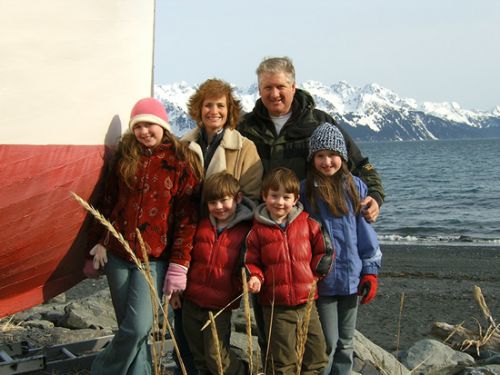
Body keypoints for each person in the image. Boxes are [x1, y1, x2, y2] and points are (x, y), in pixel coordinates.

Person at [87, 97, 203, 375]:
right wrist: (101, 240)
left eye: (150, 124)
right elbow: (108, 202)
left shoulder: (181, 161)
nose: (144, 131)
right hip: (117, 254)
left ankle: (101, 369)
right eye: (138, 126)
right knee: (132, 332)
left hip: (154, 258)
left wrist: (179, 263)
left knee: (138, 327)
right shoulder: (124, 157)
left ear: (163, 125)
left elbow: (188, 219)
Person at [237, 56, 384, 223]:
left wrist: (375, 195)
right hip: (260, 223)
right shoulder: (245, 128)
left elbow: (360, 164)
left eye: (280, 87)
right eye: (268, 87)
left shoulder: (320, 122)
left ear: (293, 87)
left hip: (312, 224)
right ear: (259, 90)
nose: (274, 94)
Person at [300, 122, 382, 375]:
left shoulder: (355, 187)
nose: (327, 162)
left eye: (333, 155)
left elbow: (365, 233)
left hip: (351, 278)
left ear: (343, 157)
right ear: (313, 158)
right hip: (323, 281)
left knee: (347, 343)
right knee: (327, 344)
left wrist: (370, 271)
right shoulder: (305, 191)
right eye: (320, 156)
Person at [244, 167, 333, 375]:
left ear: (295, 199)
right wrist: (255, 277)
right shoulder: (258, 231)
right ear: (264, 196)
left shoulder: (307, 223)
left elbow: (325, 249)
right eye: (274, 196)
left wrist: (315, 275)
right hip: (277, 306)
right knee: (283, 361)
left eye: (286, 197)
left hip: (306, 303)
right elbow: (250, 260)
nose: (280, 202)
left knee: (316, 355)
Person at [177, 172, 254, 375]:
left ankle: (244, 371)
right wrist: (176, 291)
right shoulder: (201, 227)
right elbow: (185, 259)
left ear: (237, 198)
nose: (219, 207)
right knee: (199, 357)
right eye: (213, 202)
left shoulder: (246, 230)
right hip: (191, 302)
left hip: (219, 306)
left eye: (224, 200)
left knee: (216, 358)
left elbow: (251, 263)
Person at [182, 78, 263, 203]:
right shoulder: (183, 146)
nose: (214, 111)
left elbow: (250, 197)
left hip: (229, 221)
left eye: (220, 105)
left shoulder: (245, 148)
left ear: (229, 110)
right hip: (188, 220)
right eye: (208, 105)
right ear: (199, 109)